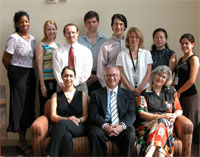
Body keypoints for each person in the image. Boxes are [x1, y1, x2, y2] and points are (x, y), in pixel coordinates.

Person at [2, 10, 36, 155]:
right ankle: (22, 141)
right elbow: (5, 59)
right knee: (19, 107)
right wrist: (13, 75)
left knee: (29, 106)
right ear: (17, 23)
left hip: (30, 74)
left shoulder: (33, 39)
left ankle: (22, 141)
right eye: (21, 21)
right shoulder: (13, 38)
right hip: (17, 74)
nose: (24, 24)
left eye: (27, 21)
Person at [88, 65, 136, 156]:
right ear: (105, 78)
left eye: (114, 75)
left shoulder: (128, 94)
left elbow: (131, 114)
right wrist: (106, 126)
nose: (112, 78)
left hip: (121, 126)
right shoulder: (95, 94)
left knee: (130, 134)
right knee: (95, 133)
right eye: (108, 75)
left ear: (119, 77)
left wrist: (121, 126)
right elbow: (94, 114)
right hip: (103, 127)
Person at [137, 65, 182, 157]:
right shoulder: (144, 93)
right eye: (159, 75)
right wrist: (160, 117)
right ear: (153, 75)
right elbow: (141, 113)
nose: (160, 78)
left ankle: (149, 153)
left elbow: (179, 110)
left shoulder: (171, 91)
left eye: (163, 77)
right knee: (161, 121)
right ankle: (153, 151)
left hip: (166, 127)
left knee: (162, 122)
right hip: (148, 126)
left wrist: (174, 115)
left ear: (166, 80)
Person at [46, 66, 88, 156]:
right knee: (66, 136)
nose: (68, 78)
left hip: (77, 126)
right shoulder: (55, 95)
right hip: (60, 127)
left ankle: (50, 155)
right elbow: (53, 117)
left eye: (71, 76)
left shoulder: (82, 95)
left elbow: (85, 116)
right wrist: (68, 119)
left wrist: (78, 120)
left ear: (74, 77)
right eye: (65, 76)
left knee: (62, 123)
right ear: (61, 77)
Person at [174, 33, 200, 155]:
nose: (184, 45)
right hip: (179, 97)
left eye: (187, 43)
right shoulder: (181, 59)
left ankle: (190, 153)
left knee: (190, 125)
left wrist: (179, 91)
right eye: (182, 43)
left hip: (189, 97)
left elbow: (191, 80)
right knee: (181, 126)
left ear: (192, 44)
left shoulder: (194, 59)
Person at [53, 23, 93, 95]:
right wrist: (63, 83)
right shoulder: (57, 52)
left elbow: (87, 71)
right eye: (68, 33)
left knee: (82, 106)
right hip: (62, 86)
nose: (71, 35)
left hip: (80, 86)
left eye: (73, 32)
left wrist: (73, 83)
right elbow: (57, 71)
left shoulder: (86, 51)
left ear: (78, 33)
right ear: (64, 34)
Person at [116, 27, 152, 96]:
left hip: (144, 90)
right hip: (126, 90)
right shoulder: (122, 55)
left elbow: (148, 73)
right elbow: (121, 74)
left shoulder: (146, 54)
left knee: (143, 107)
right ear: (128, 39)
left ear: (140, 39)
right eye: (132, 37)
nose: (134, 39)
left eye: (136, 37)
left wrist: (140, 88)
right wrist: (131, 89)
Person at [78, 11, 108, 95]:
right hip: (83, 77)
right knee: (84, 103)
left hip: (101, 77)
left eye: (94, 21)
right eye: (89, 22)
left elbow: (107, 61)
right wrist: (88, 76)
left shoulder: (105, 40)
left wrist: (98, 76)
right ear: (85, 24)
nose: (91, 24)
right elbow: (77, 60)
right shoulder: (79, 40)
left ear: (98, 23)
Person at [97, 13, 128, 87]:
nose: (118, 27)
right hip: (111, 83)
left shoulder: (129, 44)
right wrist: (105, 85)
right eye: (116, 24)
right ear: (112, 26)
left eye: (121, 24)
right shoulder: (105, 46)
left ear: (125, 27)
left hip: (127, 84)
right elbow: (101, 68)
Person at [35, 20, 58, 115]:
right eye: (48, 29)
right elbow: (39, 67)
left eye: (53, 29)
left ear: (56, 30)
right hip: (46, 82)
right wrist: (42, 86)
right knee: (45, 108)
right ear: (45, 31)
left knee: (55, 109)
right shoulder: (41, 46)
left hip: (57, 81)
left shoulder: (59, 46)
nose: (51, 31)